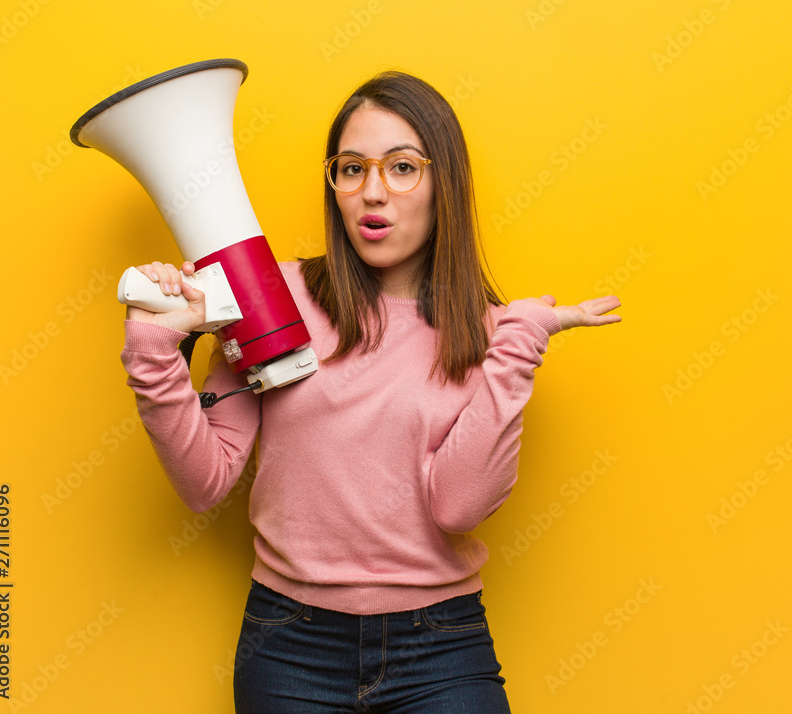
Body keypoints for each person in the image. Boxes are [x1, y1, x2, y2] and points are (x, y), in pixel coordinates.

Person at [120, 71, 620, 712]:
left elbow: (458, 507)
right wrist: (155, 353)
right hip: (287, 648)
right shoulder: (274, 297)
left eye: (403, 167)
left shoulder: (489, 335)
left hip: (440, 647)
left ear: (446, 184)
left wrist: (517, 349)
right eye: (351, 169)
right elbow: (205, 483)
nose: (372, 193)